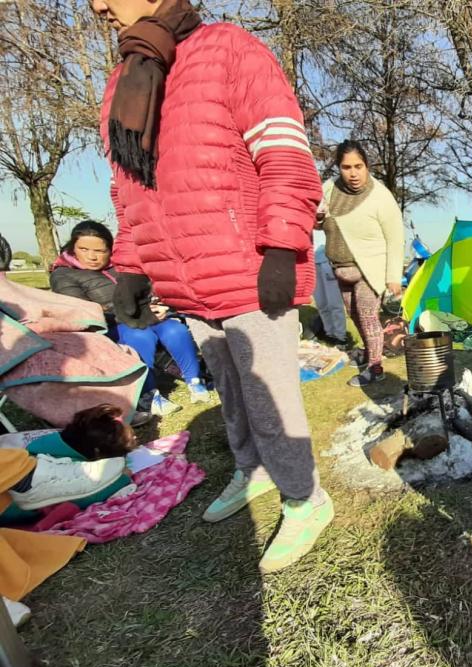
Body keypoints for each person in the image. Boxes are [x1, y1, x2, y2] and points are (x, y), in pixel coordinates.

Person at [90, 0, 331, 573]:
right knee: (230, 388)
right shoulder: (124, 81)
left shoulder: (229, 49)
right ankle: (253, 470)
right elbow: (129, 190)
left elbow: (284, 152)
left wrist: (281, 247)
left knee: (270, 398)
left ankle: (306, 498)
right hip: (185, 278)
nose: (97, 5)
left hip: (248, 267)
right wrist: (131, 265)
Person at [50, 221, 209, 416]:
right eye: (84, 249)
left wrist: (159, 304)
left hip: (143, 317)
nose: (92, 256)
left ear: (110, 249)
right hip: (108, 326)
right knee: (139, 336)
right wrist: (139, 312)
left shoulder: (122, 265)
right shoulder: (63, 275)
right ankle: (147, 393)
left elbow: (147, 289)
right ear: (72, 247)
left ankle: (195, 380)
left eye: (100, 251)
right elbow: (83, 312)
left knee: (175, 329)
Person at [320, 141, 405, 386]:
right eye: (346, 167)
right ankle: (369, 352)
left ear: (367, 166)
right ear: (339, 168)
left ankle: (376, 368)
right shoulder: (328, 189)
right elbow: (319, 219)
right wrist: (317, 220)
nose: (353, 173)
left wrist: (393, 276)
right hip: (340, 267)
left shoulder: (380, 196)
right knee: (355, 315)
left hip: (370, 269)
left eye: (358, 166)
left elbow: (395, 237)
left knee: (368, 316)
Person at [0, 404, 139, 524]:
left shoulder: (55, 441)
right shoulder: (63, 459)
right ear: (98, 453)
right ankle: (28, 483)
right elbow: (82, 497)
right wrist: (122, 478)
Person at [310, 202, 350, 348]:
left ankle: (340, 336)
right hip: (312, 263)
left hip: (328, 262)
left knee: (334, 303)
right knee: (321, 303)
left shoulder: (330, 217)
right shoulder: (306, 217)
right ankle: (329, 333)